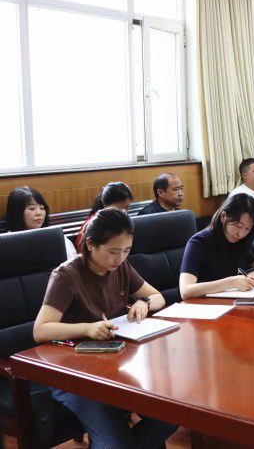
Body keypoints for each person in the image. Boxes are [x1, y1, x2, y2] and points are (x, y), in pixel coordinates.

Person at [32, 208, 177, 447]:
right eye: (113, 251)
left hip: (115, 365)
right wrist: (87, 329)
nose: (119, 258)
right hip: (74, 373)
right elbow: (40, 330)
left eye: (126, 250)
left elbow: (157, 297)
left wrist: (143, 302)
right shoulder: (66, 275)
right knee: (116, 442)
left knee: (172, 415)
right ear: (90, 244)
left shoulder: (121, 267)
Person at [179, 194, 254, 299]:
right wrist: (231, 282)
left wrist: (253, 276)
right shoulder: (198, 243)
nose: (240, 234)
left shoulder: (241, 241)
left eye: (247, 229)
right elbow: (185, 291)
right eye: (238, 226)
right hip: (203, 303)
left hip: (230, 301)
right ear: (223, 217)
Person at [4, 186, 77, 259]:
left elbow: (72, 263)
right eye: (32, 208)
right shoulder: (6, 242)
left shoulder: (56, 237)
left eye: (42, 208)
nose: (39, 213)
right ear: (17, 212)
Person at [75, 182, 133, 249]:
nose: (124, 212)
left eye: (127, 208)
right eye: (119, 208)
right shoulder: (94, 224)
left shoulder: (120, 220)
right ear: (105, 205)